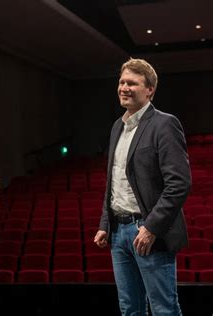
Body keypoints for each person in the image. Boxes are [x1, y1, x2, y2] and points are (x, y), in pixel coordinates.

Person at [94, 58, 191, 315]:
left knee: (164, 309)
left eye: (132, 83)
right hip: (118, 233)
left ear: (149, 90)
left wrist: (151, 228)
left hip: (148, 233)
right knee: (129, 309)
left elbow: (179, 183)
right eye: (121, 82)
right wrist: (106, 223)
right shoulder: (118, 126)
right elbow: (114, 180)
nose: (124, 88)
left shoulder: (164, 124)